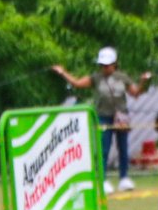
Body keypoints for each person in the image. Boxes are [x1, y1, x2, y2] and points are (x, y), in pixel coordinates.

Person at [52, 48, 152, 194]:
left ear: (114, 64)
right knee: (103, 148)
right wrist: (63, 73)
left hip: (121, 117)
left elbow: (135, 93)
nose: (105, 68)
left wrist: (143, 82)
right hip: (103, 116)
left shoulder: (122, 77)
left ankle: (124, 178)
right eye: (102, 65)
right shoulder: (96, 78)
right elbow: (77, 83)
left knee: (123, 148)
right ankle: (103, 180)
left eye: (107, 65)